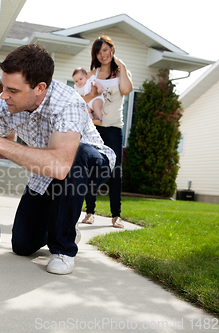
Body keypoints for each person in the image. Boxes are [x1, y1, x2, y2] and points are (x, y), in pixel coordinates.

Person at [0, 44, 116, 275]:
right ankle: (64, 220)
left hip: (89, 164)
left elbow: (61, 165)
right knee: (22, 244)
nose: (4, 95)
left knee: (76, 157)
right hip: (45, 168)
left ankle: (64, 249)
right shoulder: (6, 103)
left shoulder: (68, 103)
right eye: (4, 87)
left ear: (40, 88)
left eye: (13, 90)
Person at [80, 36, 133, 228]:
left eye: (106, 50)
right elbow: (83, 98)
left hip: (113, 128)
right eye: (99, 51)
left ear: (112, 49)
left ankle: (116, 215)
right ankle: (90, 212)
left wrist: (123, 67)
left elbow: (126, 90)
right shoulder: (92, 74)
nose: (103, 54)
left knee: (115, 171)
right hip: (94, 128)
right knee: (92, 169)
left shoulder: (121, 73)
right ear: (95, 55)